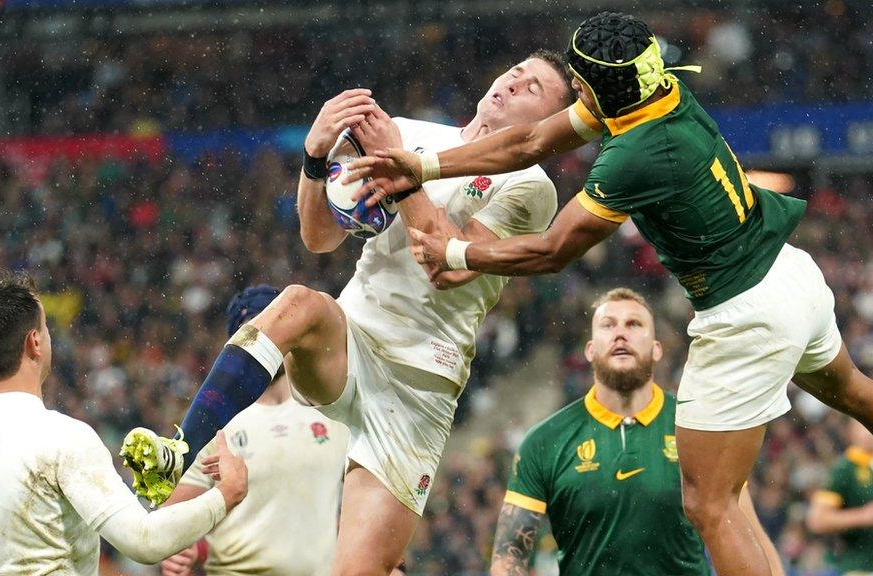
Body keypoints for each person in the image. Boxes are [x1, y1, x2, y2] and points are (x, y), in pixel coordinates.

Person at [349, 11, 873, 576]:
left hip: (748, 312)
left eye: (578, 83)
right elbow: (526, 142)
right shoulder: (656, 90)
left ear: (602, 92)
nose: (573, 89)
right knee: (850, 391)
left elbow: (553, 250)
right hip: (793, 275)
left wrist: (457, 253)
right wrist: (423, 165)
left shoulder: (634, 155)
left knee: (709, 503)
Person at [120, 50, 575, 575]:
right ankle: (179, 450)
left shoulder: (530, 185)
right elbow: (318, 238)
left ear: (546, 124)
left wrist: (402, 171)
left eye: (532, 89)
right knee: (296, 303)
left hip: (417, 383)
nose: (512, 84)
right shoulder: (406, 130)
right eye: (514, 73)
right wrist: (314, 161)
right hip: (353, 335)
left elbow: (447, 266)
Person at [0, 273, 248, 575]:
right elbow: (144, 541)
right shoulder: (60, 436)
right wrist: (225, 494)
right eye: (46, 328)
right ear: (35, 342)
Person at [491, 288, 781, 576]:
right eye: (608, 325)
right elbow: (509, 555)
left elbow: (748, 534)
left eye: (634, 324)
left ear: (657, 348)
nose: (620, 334)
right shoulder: (545, 441)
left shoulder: (700, 427)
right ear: (590, 350)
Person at [160, 285, 349, 576]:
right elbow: (171, 516)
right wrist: (186, 549)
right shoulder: (215, 421)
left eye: (278, 331)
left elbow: (353, 505)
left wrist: (390, 563)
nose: (270, 345)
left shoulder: (331, 409)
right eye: (257, 337)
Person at [808, 418, 873, 575]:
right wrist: (863, 516)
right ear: (850, 431)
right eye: (862, 424)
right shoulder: (845, 468)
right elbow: (817, 520)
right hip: (860, 567)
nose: (868, 432)